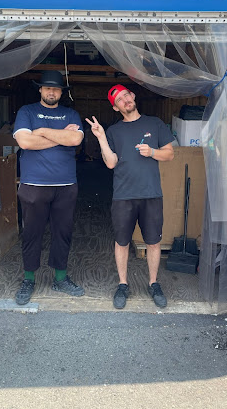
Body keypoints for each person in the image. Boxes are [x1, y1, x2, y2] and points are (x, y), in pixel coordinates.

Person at [86, 84, 174, 309]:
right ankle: (123, 284)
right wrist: (101, 137)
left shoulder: (154, 123)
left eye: (126, 95)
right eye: (119, 100)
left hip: (151, 193)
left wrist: (152, 152)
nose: (125, 100)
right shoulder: (114, 131)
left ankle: (153, 283)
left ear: (133, 96)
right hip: (123, 195)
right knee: (122, 241)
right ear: (116, 108)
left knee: (153, 242)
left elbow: (170, 154)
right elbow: (110, 163)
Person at [13, 70, 85, 305]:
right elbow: (24, 142)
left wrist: (42, 132)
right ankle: (28, 279)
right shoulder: (27, 111)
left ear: (61, 92)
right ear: (41, 90)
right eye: (47, 88)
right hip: (33, 185)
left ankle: (60, 278)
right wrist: (61, 136)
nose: (52, 91)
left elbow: (75, 141)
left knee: (62, 233)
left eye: (56, 89)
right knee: (31, 234)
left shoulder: (71, 113)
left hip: (66, 185)